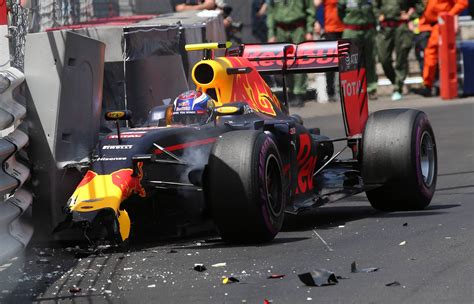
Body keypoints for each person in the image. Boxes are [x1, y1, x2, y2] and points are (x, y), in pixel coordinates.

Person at [266, 0, 316, 107]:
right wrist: (271, 33)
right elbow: (271, 12)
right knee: (285, 61)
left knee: (298, 60)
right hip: (281, 29)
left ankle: (299, 92)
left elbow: (310, 10)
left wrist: (309, 30)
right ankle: (291, 91)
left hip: (298, 27)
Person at [414, 0, 468, 97]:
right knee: (427, 54)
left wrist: (448, 16)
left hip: (441, 23)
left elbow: (462, 3)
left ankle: (431, 85)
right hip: (426, 25)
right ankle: (428, 84)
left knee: (434, 52)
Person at [374, 0, 424, 101]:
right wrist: (378, 15)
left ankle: (398, 88)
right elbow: (375, 5)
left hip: (401, 27)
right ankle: (396, 81)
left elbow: (420, 5)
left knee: (401, 58)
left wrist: (411, 15)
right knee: (383, 58)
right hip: (385, 27)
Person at [338, 0, 378, 100]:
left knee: (370, 59)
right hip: (351, 30)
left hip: (368, 30)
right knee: (349, 61)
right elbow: (340, 11)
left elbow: (376, 9)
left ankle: (371, 88)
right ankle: (351, 90)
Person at [314, 0, 345, 102]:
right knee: (331, 61)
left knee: (346, 61)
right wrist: (316, 21)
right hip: (330, 28)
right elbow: (314, 4)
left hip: (346, 28)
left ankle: (345, 90)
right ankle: (331, 90)